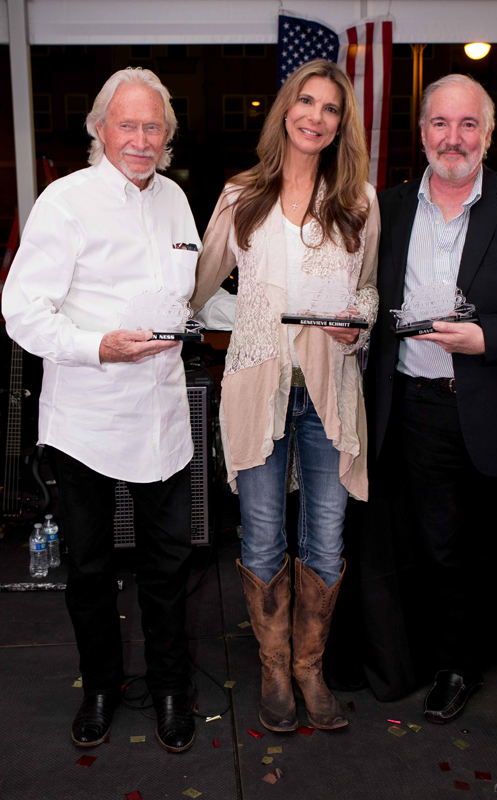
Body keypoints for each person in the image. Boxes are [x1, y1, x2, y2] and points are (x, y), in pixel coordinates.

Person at [365, 73, 497, 764]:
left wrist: (487, 337)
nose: (451, 138)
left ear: (486, 132)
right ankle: (453, 667)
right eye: (437, 124)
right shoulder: (387, 209)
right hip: (420, 411)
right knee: (441, 555)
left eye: (466, 125)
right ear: (420, 132)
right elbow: (368, 299)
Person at [2, 68, 200, 754]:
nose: (141, 140)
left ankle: (171, 687)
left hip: (164, 421)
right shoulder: (64, 202)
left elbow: (184, 304)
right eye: (128, 125)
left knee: (169, 567)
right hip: (85, 422)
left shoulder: (177, 201)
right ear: (99, 128)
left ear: (166, 136)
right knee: (89, 570)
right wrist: (97, 347)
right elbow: (21, 313)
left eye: (153, 127)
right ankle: (100, 686)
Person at [191, 59, 380, 733]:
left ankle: (309, 670)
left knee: (324, 540)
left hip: (330, 388)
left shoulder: (357, 198)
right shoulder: (242, 193)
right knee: (264, 535)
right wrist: (238, 320)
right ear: (284, 110)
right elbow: (199, 282)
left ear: (340, 124)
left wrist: (356, 323)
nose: (316, 116)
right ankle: (273, 671)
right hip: (256, 386)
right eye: (306, 102)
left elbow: (368, 290)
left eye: (330, 108)